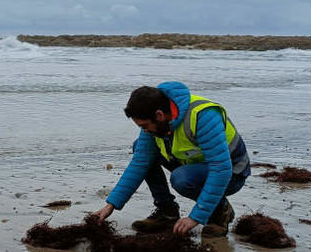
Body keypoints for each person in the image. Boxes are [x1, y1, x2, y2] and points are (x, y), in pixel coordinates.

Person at [94, 82, 250, 237]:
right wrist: (111, 205)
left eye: (144, 126)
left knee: (182, 178)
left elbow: (221, 169)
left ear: (159, 115)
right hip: (192, 166)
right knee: (140, 148)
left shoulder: (203, 116)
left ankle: (220, 211)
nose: (145, 130)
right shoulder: (157, 120)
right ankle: (166, 212)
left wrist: (195, 217)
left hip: (232, 173)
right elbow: (140, 163)